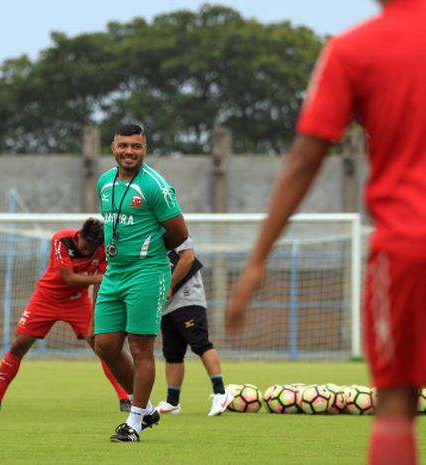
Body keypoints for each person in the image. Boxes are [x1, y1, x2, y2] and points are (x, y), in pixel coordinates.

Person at [225, 1, 426, 464]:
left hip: (406, 248)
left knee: (397, 402)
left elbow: (304, 159)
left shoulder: (353, 49)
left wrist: (257, 259)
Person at [0, 218, 131, 412]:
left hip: (78, 302)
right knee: (18, 345)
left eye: (93, 247)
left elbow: (99, 285)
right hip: (45, 299)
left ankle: (125, 399)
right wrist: (107, 276)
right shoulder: (61, 239)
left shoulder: (103, 248)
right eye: (86, 246)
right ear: (80, 235)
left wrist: (95, 320)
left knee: (103, 347)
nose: (88, 251)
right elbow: (69, 278)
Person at [94, 123, 189, 442]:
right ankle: (146, 408)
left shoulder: (154, 186)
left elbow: (179, 233)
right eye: (123, 146)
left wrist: (148, 252)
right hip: (114, 270)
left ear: (145, 148)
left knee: (140, 346)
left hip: (147, 271)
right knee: (104, 345)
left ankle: (134, 424)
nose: (129, 152)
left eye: (136, 146)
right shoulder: (105, 183)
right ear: (113, 147)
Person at [154, 237, 232, 417]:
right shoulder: (147, 235)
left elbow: (188, 258)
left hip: (187, 299)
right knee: (172, 353)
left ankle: (221, 393)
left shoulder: (174, 230)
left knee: (200, 343)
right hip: (167, 305)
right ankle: (172, 402)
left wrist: (170, 285)